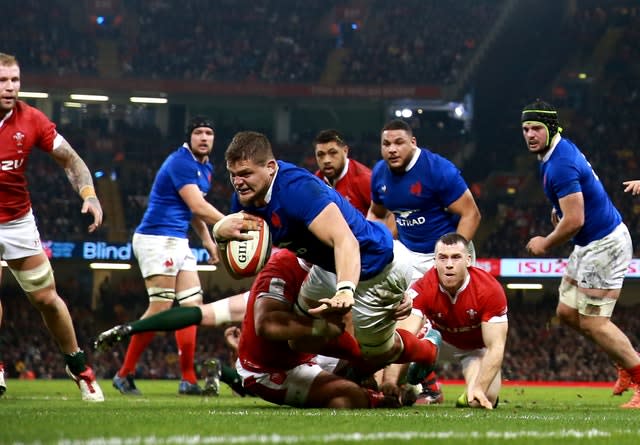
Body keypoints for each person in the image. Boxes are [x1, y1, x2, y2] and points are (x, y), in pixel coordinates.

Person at [213, 131, 439, 370]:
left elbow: (347, 242)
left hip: (374, 265)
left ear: (270, 167)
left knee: (379, 353)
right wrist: (220, 236)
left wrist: (345, 290)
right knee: (299, 339)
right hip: (328, 267)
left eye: (246, 173)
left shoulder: (298, 190)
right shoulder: (245, 198)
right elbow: (241, 270)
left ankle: (427, 350)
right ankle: (354, 371)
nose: (238, 182)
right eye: (233, 175)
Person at [96, 249, 412, 408]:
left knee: (374, 348)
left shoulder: (333, 278)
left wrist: (398, 306)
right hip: (271, 369)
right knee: (349, 396)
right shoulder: (270, 287)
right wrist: (132, 327)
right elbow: (195, 314)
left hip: (307, 359)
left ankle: (404, 383)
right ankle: (379, 398)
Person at [111, 116, 255, 396]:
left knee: (193, 309)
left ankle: (188, 380)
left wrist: (208, 241)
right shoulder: (180, 162)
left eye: (209, 133)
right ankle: (124, 373)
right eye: (199, 132)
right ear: (189, 137)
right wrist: (228, 222)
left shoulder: (206, 167)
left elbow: (194, 212)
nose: (204, 137)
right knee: (161, 308)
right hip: (156, 238)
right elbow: (197, 204)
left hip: (178, 240)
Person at [522, 99, 640, 409]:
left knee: (594, 323)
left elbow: (575, 220)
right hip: (589, 244)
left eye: (535, 128)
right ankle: (625, 362)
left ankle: (636, 373)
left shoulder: (560, 162)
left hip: (605, 244)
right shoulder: (554, 153)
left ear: (550, 128)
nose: (530, 134)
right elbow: (573, 204)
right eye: (525, 129)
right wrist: (556, 211)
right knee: (566, 313)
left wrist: (545, 243)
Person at [0, 52, 104, 402]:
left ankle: (78, 368)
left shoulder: (32, 119)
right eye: (2, 80)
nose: (10, 87)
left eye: (14, 80)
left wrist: (89, 194)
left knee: (47, 299)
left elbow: (71, 160)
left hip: (18, 222)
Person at [368, 118, 481, 403]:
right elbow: (377, 214)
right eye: (386, 144)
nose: (392, 149)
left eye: (398, 143)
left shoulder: (437, 170)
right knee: (385, 310)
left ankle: (401, 378)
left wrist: (452, 257)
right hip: (406, 254)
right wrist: (371, 246)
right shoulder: (380, 174)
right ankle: (413, 382)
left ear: (413, 142)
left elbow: (471, 214)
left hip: (443, 253)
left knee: (419, 316)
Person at [382, 233, 508, 409]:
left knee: (480, 399)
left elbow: (496, 347)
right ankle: (410, 382)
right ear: (435, 261)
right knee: (406, 341)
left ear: (468, 260)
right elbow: (403, 337)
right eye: (443, 258)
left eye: (456, 257)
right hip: (436, 341)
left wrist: (479, 388)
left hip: (474, 349)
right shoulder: (423, 287)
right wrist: (390, 381)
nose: (449, 264)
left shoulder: (490, 290)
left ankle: (458, 395)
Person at [313, 129, 373, 217]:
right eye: (321, 154)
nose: (326, 160)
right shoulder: (315, 182)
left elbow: (386, 217)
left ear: (345, 151)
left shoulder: (365, 179)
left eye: (333, 153)